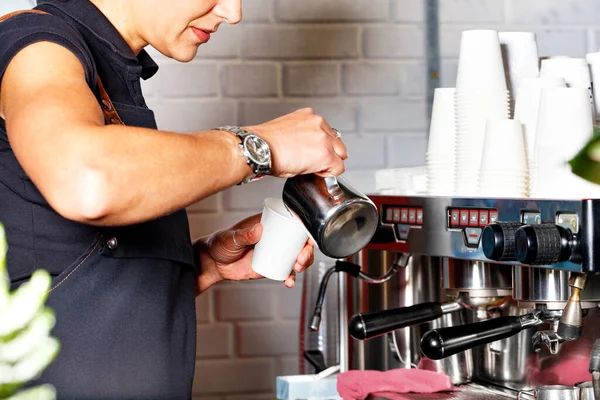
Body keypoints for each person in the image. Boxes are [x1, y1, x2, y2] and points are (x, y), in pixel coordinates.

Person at [0, 0, 348, 398]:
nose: (232, 14)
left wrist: (206, 265)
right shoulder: (35, 45)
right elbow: (88, 182)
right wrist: (260, 147)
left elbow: (68, 274)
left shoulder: (109, 78)